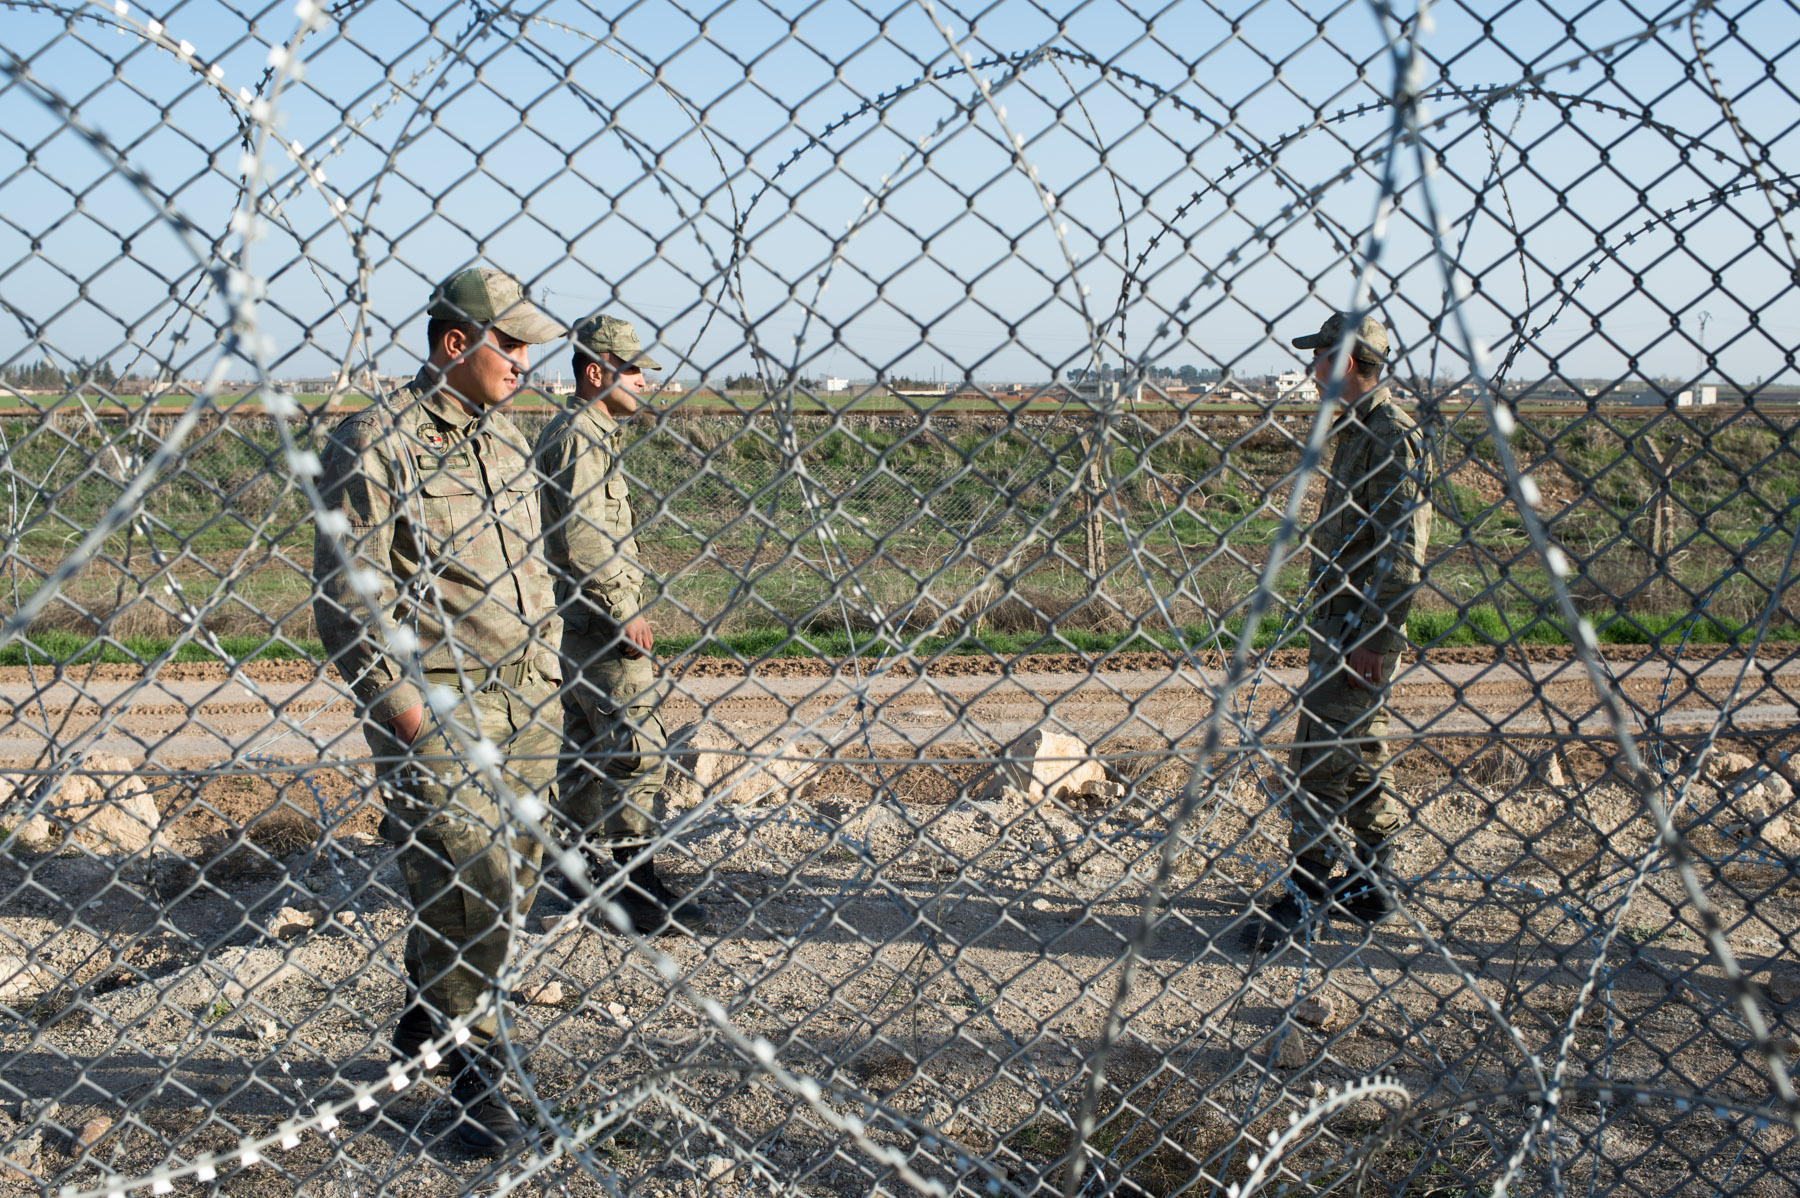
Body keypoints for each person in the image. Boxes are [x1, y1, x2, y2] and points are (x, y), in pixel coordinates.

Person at [312, 267, 565, 1152]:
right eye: (512, 344)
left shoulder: (503, 441)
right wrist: (400, 704)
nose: (527, 362)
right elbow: (349, 590)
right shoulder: (376, 441)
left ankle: (429, 1016)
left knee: (513, 885)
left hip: (532, 701)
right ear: (456, 344)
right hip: (447, 710)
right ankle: (473, 1079)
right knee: (471, 894)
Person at [1244, 312, 1432, 949]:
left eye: (1319, 353)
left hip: (1358, 623)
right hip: (1341, 617)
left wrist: (1375, 636)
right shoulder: (1358, 427)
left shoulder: (1390, 434)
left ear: (1349, 359)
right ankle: (1374, 881)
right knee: (1362, 749)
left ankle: (1306, 889)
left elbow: (1405, 546)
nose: (1310, 367)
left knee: (1318, 755)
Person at [536, 315, 718, 936]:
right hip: (599, 623)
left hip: (581, 619)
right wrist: (625, 610)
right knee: (634, 748)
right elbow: (584, 537)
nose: (644, 382)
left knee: (588, 749)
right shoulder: (580, 436)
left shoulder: (586, 431)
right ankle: (629, 880)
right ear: (596, 371)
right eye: (634, 369)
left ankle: (590, 874)